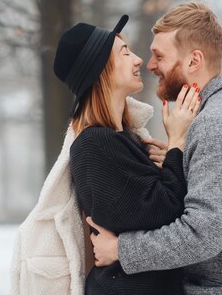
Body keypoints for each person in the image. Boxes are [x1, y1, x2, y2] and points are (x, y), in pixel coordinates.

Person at [87, 1, 222, 295]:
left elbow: (203, 233)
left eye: (160, 56)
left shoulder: (218, 124)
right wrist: (181, 166)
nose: (150, 64)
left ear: (194, 61)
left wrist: (121, 249)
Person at [11, 15, 200, 295]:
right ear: (101, 69)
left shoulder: (123, 140)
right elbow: (167, 209)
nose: (138, 60)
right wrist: (177, 143)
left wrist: (172, 158)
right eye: (125, 53)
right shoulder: (94, 145)